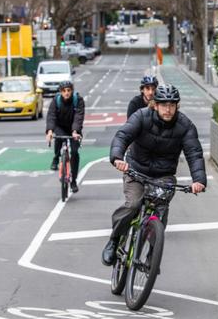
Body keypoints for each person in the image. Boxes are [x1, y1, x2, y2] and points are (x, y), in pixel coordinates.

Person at [101, 84, 206, 266]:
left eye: (172, 105)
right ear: (155, 105)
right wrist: (117, 157)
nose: (168, 109)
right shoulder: (141, 116)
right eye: (164, 104)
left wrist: (198, 180)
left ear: (177, 106)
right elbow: (122, 136)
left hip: (163, 176)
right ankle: (115, 239)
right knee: (133, 204)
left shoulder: (185, 126)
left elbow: (194, 153)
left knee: (160, 212)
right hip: (135, 170)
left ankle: (152, 254)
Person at [46, 80, 85, 193]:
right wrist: (49, 131)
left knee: (74, 152)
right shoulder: (56, 100)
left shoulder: (78, 100)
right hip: (60, 126)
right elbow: (51, 115)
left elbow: (79, 116)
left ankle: (73, 181)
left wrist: (75, 131)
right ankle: (56, 158)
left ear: (72, 91)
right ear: (60, 92)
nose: (66, 93)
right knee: (59, 138)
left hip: (74, 129)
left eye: (68, 90)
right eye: (64, 91)